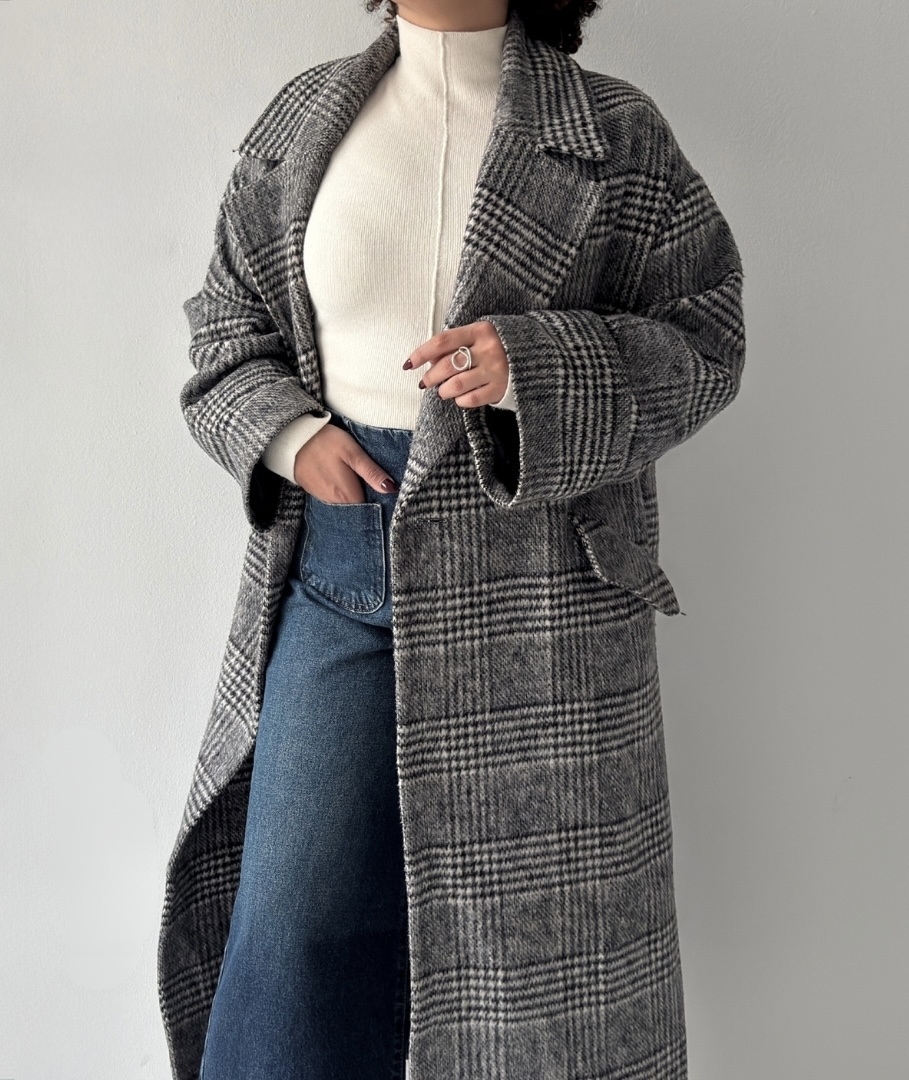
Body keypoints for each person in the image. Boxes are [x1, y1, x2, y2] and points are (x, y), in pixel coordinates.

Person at [160, 1, 745, 1076]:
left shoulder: (616, 133)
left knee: (526, 983)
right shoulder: (306, 117)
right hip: (340, 569)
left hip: (543, 595)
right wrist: (289, 436)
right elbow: (227, 322)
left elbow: (707, 338)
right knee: (293, 936)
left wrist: (536, 368)